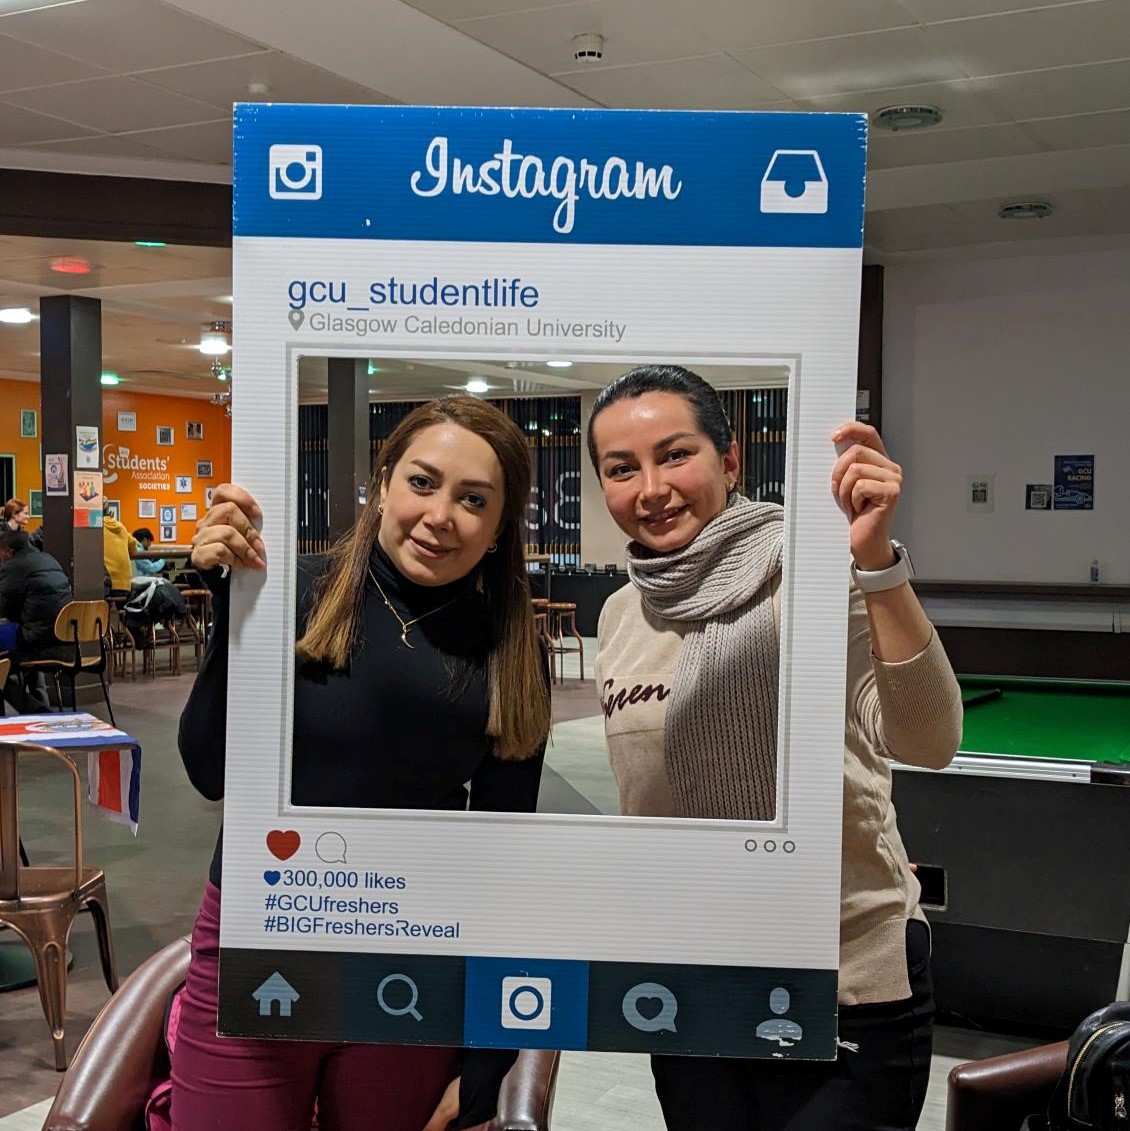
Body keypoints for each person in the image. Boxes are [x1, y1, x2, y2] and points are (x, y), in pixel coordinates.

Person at [588, 365, 963, 1131]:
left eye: (675, 454)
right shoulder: (621, 613)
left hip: (844, 978)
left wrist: (878, 565)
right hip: (690, 977)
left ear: (730, 461)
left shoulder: (818, 571)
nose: (652, 487)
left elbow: (931, 739)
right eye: (622, 468)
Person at [172, 396, 552, 1131]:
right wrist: (235, 612)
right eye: (422, 481)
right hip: (264, 931)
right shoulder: (289, 593)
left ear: (502, 524)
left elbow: (507, 864)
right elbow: (209, 769)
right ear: (383, 483)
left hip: (413, 957)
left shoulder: (511, 651)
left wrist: (485, 1060)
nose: (440, 514)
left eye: (473, 499)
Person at [0, 528, 73, 711]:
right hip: (65, 639)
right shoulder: (49, 559)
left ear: (8, 551)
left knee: (3, 664)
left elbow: (6, 609)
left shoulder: (13, 567)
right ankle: (38, 705)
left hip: (37, 640)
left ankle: (32, 709)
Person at [101, 505, 133, 598]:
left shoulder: (96, 528)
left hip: (106, 583)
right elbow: (133, 545)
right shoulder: (121, 526)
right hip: (124, 582)